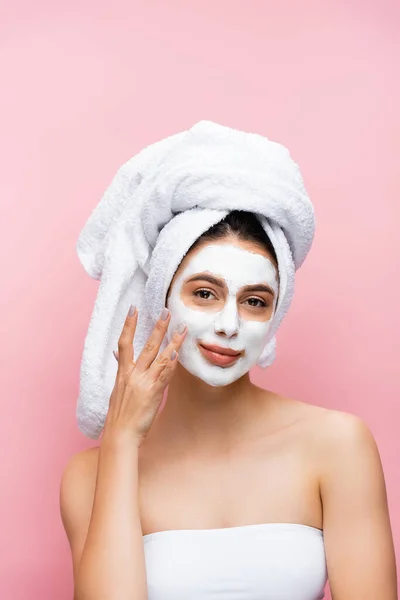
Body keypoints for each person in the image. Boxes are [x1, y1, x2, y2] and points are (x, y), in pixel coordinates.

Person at [60, 210, 397, 600]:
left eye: (255, 301)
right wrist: (120, 442)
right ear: (161, 298)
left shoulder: (338, 445)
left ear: (275, 315)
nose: (230, 325)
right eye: (204, 293)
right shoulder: (89, 476)